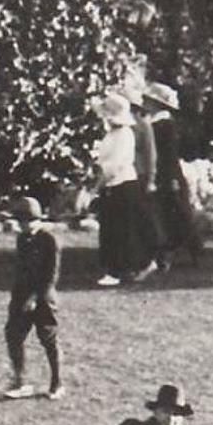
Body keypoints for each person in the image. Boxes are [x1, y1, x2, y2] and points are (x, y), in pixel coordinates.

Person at [1, 196, 63, 398]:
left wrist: (36, 298)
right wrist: (19, 298)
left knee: (48, 339)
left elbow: (51, 275)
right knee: (13, 335)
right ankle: (20, 381)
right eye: (20, 222)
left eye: (25, 221)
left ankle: (57, 384)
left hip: (43, 299)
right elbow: (21, 270)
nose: (22, 226)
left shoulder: (49, 240)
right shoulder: (22, 239)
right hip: (22, 296)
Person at [91, 93, 150, 287]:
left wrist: (96, 187)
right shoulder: (112, 134)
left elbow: (114, 166)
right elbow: (103, 162)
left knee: (121, 231)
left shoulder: (125, 135)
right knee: (111, 229)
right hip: (113, 186)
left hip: (123, 185)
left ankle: (119, 270)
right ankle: (116, 268)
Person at [142, 82, 202, 271]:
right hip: (164, 173)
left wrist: (169, 178)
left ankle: (178, 250)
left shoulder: (164, 125)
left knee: (172, 213)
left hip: (167, 175)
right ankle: (171, 251)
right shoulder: (157, 123)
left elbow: (168, 156)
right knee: (167, 213)